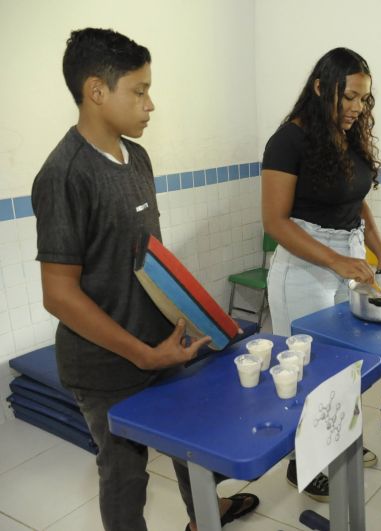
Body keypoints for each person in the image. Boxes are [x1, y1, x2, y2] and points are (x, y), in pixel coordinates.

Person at [31, 28, 258, 531]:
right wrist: (140, 353)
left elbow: (145, 258)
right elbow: (58, 294)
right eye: (139, 90)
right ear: (96, 91)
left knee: (194, 442)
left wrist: (194, 316)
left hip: (160, 344)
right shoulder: (64, 174)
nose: (150, 104)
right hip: (105, 364)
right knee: (124, 474)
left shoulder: (138, 158)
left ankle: (206, 515)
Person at [261, 47, 381, 501]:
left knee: (347, 366)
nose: (358, 108)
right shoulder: (288, 141)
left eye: (363, 99)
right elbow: (275, 221)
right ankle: (303, 464)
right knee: (310, 371)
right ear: (321, 88)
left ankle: (337, 444)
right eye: (350, 97)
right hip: (304, 268)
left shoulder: (348, 135)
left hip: (348, 259)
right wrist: (335, 262)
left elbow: (358, 203)